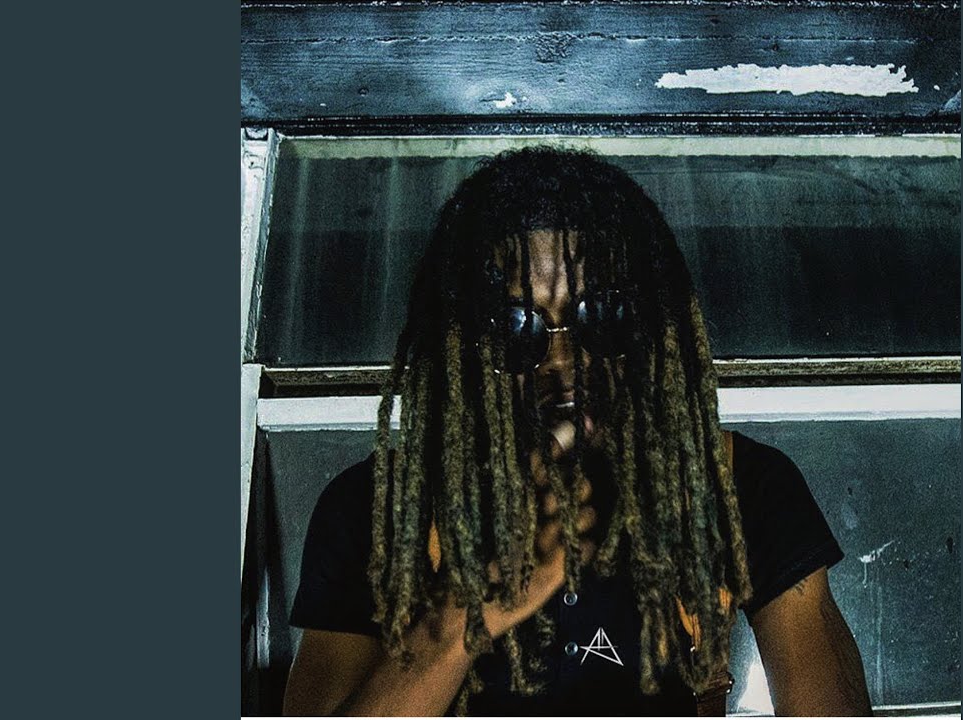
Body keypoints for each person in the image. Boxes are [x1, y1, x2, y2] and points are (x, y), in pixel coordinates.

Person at [281, 147, 871, 716]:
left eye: (602, 316)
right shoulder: (378, 508)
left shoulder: (737, 487)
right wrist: (463, 613)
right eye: (517, 327)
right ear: (463, 342)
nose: (563, 365)